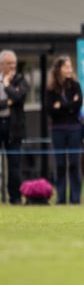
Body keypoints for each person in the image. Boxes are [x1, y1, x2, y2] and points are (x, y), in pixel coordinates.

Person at [45, 55, 84, 205]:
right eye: (66, 67)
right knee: (60, 165)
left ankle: (75, 199)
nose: (69, 69)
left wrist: (61, 106)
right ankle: (61, 199)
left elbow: (78, 104)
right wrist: (69, 105)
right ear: (59, 69)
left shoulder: (75, 85)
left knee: (74, 165)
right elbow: (50, 109)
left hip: (74, 129)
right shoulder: (50, 88)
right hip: (57, 130)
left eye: (70, 67)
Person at [0, 49, 30, 205]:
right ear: (1, 65)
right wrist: (7, 102)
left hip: (14, 128)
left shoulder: (20, 80)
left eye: (14, 63)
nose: (12, 66)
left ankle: (15, 198)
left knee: (14, 165)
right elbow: (13, 99)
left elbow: (19, 97)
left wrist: (6, 85)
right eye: (8, 63)